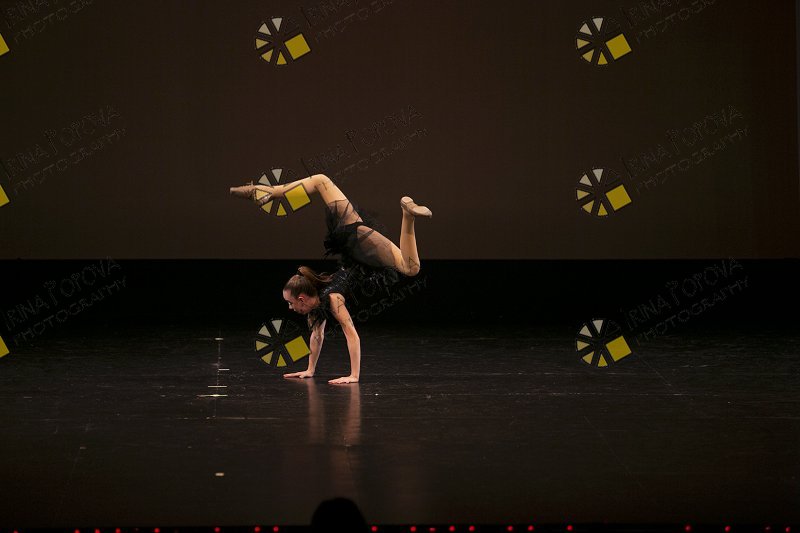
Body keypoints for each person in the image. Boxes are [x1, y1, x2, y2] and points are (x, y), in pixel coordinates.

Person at [230, 173, 432, 384]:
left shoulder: (334, 299)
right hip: (350, 235)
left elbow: (351, 334)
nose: (290, 308)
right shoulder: (318, 306)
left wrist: (353, 375)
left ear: (302, 299)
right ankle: (268, 192)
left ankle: (407, 215)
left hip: (360, 248)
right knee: (321, 181)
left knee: (411, 268)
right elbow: (317, 336)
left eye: (290, 303)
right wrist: (310, 370)